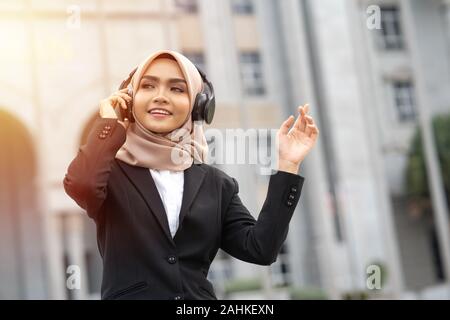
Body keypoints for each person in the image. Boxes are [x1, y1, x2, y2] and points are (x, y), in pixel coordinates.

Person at [63, 49, 319, 300]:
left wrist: (288, 164)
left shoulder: (217, 184)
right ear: (129, 100)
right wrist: (109, 124)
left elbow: (261, 248)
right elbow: (82, 185)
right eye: (148, 86)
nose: (161, 97)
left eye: (177, 89)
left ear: (198, 106)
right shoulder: (109, 171)